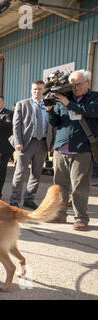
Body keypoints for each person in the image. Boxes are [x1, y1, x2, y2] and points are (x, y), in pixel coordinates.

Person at [47, 69, 98, 231]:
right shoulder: (63, 99)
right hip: (61, 147)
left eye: (78, 84)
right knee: (60, 185)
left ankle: (81, 218)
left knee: (79, 186)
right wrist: (49, 110)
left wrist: (69, 104)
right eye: (72, 84)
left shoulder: (94, 97)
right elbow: (55, 122)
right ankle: (60, 214)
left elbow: (92, 111)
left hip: (82, 148)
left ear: (88, 83)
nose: (74, 87)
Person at [9, 80, 52, 209]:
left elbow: (52, 125)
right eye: (34, 89)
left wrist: (51, 143)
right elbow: (16, 125)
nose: (36, 91)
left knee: (36, 174)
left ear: (43, 90)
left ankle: (29, 199)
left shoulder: (48, 105)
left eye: (39, 89)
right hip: (26, 143)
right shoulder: (22, 104)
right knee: (19, 172)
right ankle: (14, 200)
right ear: (31, 90)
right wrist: (18, 142)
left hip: (42, 143)